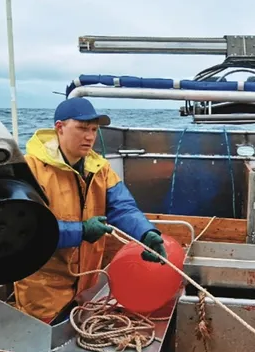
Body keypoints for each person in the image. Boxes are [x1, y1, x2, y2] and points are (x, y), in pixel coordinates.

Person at [14, 97, 168, 323]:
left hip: (86, 289)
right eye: (82, 128)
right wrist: (81, 231)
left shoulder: (100, 169)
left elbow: (123, 208)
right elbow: (25, 230)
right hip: (44, 294)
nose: (90, 136)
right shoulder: (30, 169)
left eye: (94, 130)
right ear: (60, 128)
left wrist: (147, 234)